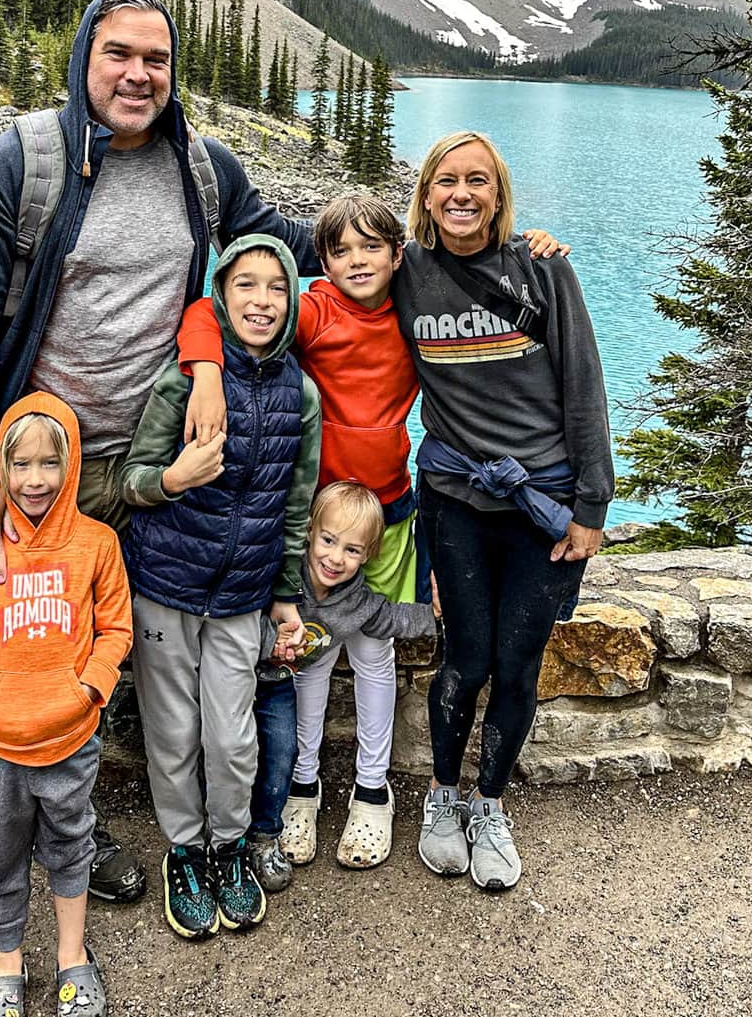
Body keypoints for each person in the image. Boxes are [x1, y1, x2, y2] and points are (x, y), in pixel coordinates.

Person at [0, 0, 317, 987]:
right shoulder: (21, 164)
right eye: (119, 54)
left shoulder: (201, 169)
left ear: (175, 72)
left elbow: (282, 252)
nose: (139, 74)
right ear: (87, 56)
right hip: (35, 460)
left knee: (101, 645)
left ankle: (69, 830)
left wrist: (424, 244)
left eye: (158, 59)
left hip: (143, 469)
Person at [177, 192, 561, 875]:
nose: (357, 260)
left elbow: (485, 285)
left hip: (389, 512)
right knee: (315, 651)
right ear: (320, 260)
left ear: (396, 254)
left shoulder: (416, 303)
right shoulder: (316, 309)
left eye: (371, 247)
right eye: (339, 250)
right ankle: (304, 782)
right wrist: (206, 370)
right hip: (318, 520)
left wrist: (532, 248)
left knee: (376, 652)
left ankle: (373, 788)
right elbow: (216, 313)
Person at [397, 130, 613, 891]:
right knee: (467, 657)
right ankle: (441, 796)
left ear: (498, 192)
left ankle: (490, 805)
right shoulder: (408, 272)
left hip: (540, 505)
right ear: (426, 193)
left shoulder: (543, 269)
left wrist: (591, 504)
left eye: (477, 181)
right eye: (446, 180)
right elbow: (320, 265)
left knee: (518, 665)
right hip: (455, 502)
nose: (461, 193)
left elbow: (585, 385)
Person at [120, 234, 321, 941]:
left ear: (291, 299)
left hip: (242, 595)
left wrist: (286, 593)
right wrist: (174, 478)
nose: (262, 300)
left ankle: (230, 846)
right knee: (172, 732)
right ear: (221, 295)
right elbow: (135, 480)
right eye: (246, 285)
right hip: (165, 587)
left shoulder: (302, 393)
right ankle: (185, 849)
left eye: (276, 287)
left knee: (233, 739)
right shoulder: (183, 383)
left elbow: (296, 504)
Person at [0, 393, 132, 1017]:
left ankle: (73, 956)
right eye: (21, 465)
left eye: (50, 463)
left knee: (72, 848)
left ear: (71, 465)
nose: (36, 479)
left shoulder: (96, 545)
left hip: (70, 739)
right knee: (0, 858)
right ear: (0, 466)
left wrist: (89, 689)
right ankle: (8, 962)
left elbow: (116, 630)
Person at [276, 481, 437, 870]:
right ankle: (302, 782)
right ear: (310, 533)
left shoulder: (359, 600)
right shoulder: (285, 579)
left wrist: (436, 614)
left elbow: (393, 619)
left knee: (371, 659)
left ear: (368, 555)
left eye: (351, 551)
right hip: (292, 666)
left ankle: (371, 786)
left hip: (386, 483)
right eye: (328, 541)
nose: (335, 558)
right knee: (304, 690)